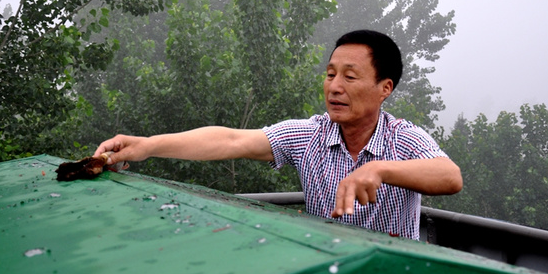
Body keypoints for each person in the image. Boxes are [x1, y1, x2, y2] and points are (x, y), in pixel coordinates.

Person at [92, 29, 462, 240]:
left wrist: (381, 170)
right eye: (330, 74)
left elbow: (450, 177)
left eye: (349, 77)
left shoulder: (403, 139)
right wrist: (145, 146)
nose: (334, 86)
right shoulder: (309, 136)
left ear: (385, 88)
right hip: (329, 269)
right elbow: (232, 141)